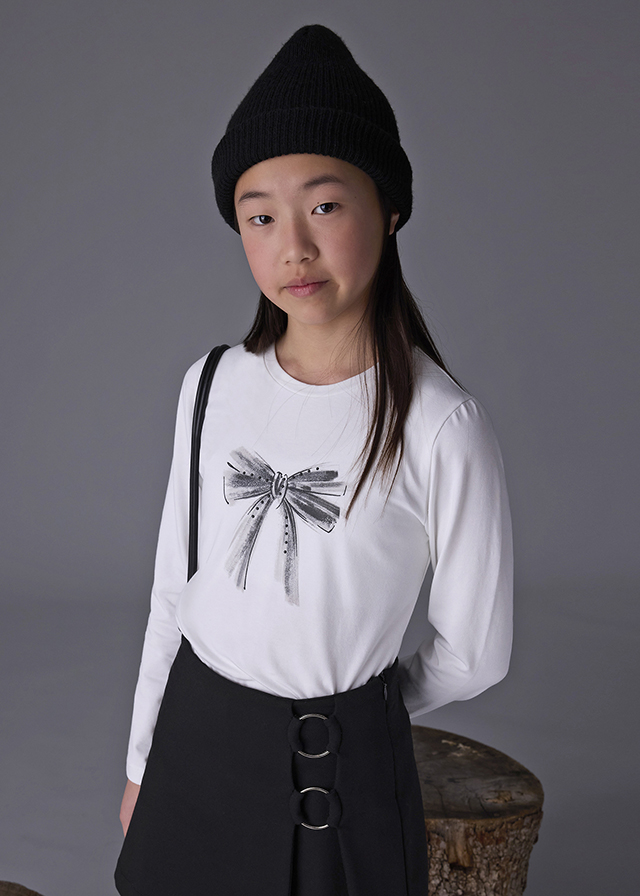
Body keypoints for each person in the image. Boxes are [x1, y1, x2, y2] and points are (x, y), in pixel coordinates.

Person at [115, 23, 513, 896]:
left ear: (389, 208)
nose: (292, 245)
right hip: (191, 751)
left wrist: (362, 712)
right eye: (260, 216)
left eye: (325, 206)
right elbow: (173, 592)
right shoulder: (211, 382)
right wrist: (143, 763)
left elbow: (477, 653)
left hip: (326, 774)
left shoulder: (440, 423)